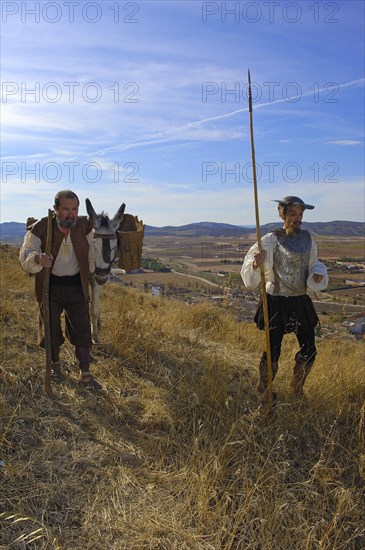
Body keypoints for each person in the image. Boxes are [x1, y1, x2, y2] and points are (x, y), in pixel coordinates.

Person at [241, 196, 328, 399]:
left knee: (309, 350)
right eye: (293, 214)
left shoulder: (308, 238)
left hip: (299, 300)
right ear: (282, 214)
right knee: (272, 351)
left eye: (300, 214)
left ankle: (296, 390)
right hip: (276, 301)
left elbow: (314, 262)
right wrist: (256, 263)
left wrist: (316, 272)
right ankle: (265, 391)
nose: (298, 218)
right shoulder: (271, 239)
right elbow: (251, 264)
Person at [19, 189, 102, 390]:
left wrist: (93, 267)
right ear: (56, 209)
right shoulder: (41, 228)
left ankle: (85, 373)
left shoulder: (84, 226)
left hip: (76, 286)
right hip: (50, 287)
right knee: (51, 327)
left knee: (82, 328)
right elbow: (25, 254)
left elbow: (93, 250)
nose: (70, 214)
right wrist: (38, 259)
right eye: (65, 209)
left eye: (74, 209)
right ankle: (55, 366)